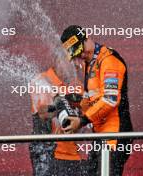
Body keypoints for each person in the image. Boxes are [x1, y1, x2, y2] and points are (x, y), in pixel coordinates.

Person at [60, 25, 133, 176]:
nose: (79, 57)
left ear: (85, 40)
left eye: (79, 52)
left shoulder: (108, 60)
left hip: (115, 136)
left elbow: (110, 100)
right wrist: (76, 105)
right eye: (75, 55)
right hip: (100, 135)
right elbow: (92, 98)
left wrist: (82, 120)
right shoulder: (90, 63)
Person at [29, 67, 86, 176]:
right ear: (57, 58)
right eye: (68, 59)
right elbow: (42, 113)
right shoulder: (42, 80)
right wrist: (61, 105)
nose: (73, 63)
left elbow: (83, 121)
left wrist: (78, 106)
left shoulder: (78, 84)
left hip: (74, 153)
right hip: (48, 153)